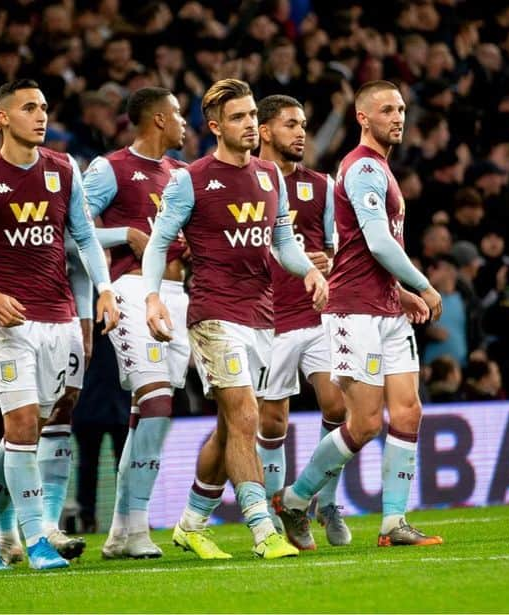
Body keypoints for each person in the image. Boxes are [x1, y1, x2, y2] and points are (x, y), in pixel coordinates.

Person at [141, 78, 327, 560]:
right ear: (216, 125)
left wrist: (308, 271)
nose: (248, 125)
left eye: (251, 116)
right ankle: (264, 530)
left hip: (261, 316)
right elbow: (159, 243)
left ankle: (190, 524)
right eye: (239, 117)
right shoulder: (191, 179)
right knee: (246, 415)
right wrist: (152, 299)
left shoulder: (270, 177)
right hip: (214, 314)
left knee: (231, 429)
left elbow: (283, 243)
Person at [0, 79, 118, 570]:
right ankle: (36, 539)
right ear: (0, 119)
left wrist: (105, 287)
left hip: (60, 318)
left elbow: (85, 239)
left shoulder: (64, 168)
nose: (41, 116)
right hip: (5, 322)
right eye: (29, 108)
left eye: (44, 107)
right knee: (20, 425)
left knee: (35, 429)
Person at [272, 80, 444, 550]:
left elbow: (375, 250)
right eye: (387, 109)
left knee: (409, 411)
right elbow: (378, 241)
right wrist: (422, 285)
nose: (398, 117)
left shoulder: (383, 170)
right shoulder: (363, 168)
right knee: (366, 422)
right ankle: (294, 498)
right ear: (362, 118)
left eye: (402, 109)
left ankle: (393, 522)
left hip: (386, 308)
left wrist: (400, 293)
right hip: (353, 311)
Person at [81, 86, 189, 560]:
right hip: (130, 289)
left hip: (179, 296)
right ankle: (139, 527)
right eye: (180, 114)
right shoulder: (111, 169)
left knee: (149, 415)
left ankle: (121, 532)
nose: (187, 123)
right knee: (157, 405)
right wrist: (124, 233)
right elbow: (71, 226)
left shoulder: (182, 174)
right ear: (159, 119)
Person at [254, 94, 351, 546]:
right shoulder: (247, 182)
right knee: (272, 423)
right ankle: (279, 514)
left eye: (304, 124)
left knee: (339, 407)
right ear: (266, 131)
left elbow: (336, 248)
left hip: (315, 316)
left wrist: (328, 262)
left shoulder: (322, 185)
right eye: (290, 124)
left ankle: (323, 500)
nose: (300, 133)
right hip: (265, 318)